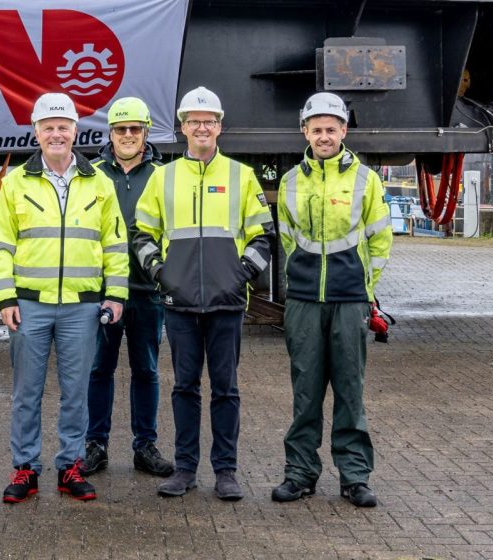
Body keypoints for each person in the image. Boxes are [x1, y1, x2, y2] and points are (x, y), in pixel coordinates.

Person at [132, 86, 275, 501]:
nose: (201, 127)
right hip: (179, 303)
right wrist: (162, 274)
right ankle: (185, 469)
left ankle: (226, 472)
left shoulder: (240, 176)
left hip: (227, 303)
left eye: (208, 121)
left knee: (226, 389)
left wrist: (241, 274)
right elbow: (142, 233)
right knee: (184, 388)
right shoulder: (164, 176)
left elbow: (263, 236)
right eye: (193, 121)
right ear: (182, 128)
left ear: (220, 127)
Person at [0, 92, 128, 503]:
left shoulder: (99, 182)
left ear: (75, 131)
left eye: (63, 126)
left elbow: (115, 243)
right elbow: (1, 243)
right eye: (48, 127)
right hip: (30, 304)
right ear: (36, 132)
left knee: (76, 392)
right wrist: (6, 298)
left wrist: (115, 295)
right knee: (26, 392)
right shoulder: (16, 182)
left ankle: (70, 465)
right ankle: (25, 468)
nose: (56, 133)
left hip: (82, 306)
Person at [270, 92, 392, 508]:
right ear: (305, 131)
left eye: (331, 129)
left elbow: (381, 240)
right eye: (316, 129)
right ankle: (300, 473)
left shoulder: (365, 180)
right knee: (305, 392)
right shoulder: (290, 182)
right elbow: (287, 240)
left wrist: (362, 287)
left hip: (350, 300)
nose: (324, 136)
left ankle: (355, 477)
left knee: (349, 391)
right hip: (304, 301)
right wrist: (298, 279)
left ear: (344, 131)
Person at [82, 97, 173, 478]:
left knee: (146, 370)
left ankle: (144, 445)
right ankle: (95, 444)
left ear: (146, 132)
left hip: (148, 290)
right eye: (121, 129)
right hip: (104, 290)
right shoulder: (92, 173)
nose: (128, 136)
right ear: (111, 133)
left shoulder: (165, 175)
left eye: (135, 129)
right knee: (98, 368)